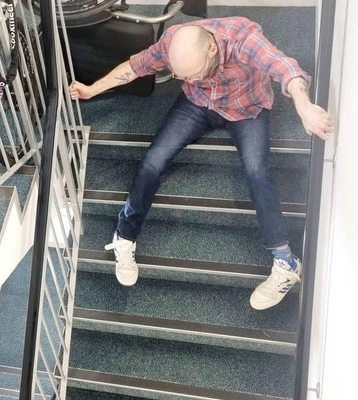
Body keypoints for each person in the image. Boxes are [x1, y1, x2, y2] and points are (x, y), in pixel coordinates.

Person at [69, 16, 334, 310]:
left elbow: (284, 67)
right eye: (183, 77)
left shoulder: (243, 39)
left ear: (211, 50)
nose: (190, 80)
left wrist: (304, 105)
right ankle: (125, 235)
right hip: (198, 104)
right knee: (152, 161)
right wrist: (93, 90)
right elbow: (134, 67)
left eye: (195, 74)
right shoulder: (174, 41)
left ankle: (287, 262)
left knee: (257, 172)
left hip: (245, 107)